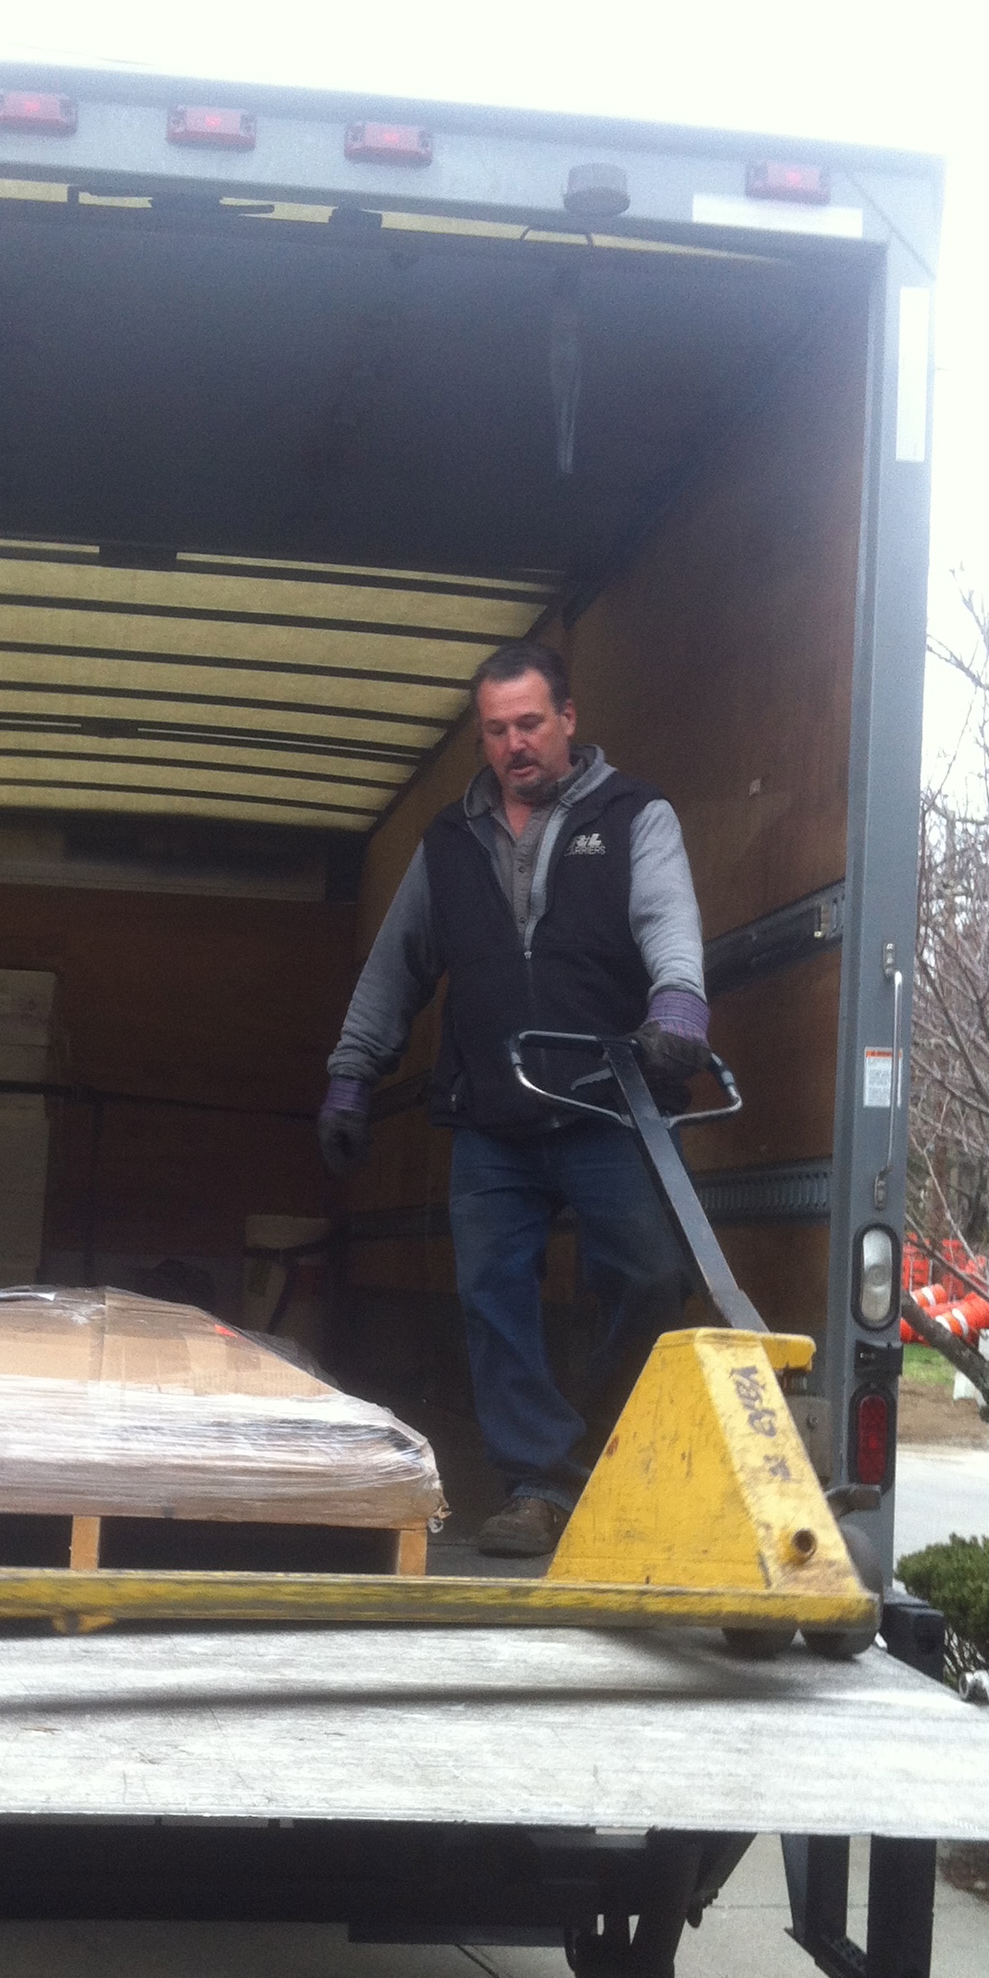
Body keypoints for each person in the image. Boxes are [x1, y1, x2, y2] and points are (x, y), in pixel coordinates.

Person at [317, 641, 709, 1557]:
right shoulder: (449, 842)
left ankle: (594, 1447)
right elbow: (395, 967)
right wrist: (351, 1076)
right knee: (493, 1294)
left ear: (568, 718)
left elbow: (667, 917)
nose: (514, 744)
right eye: (495, 731)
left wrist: (679, 1005)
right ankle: (537, 1481)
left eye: (530, 723)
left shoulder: (634, 815)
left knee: (653, 1276)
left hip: (611, 1103)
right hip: (493, 1109)